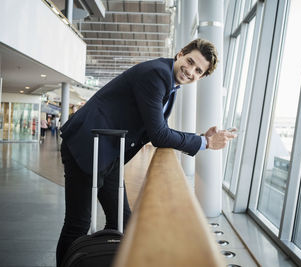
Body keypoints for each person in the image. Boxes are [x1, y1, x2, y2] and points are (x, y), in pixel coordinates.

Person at [56, 38, 237, 265]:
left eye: (198, 70)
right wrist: (204, 142)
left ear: (201, 77)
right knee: (77, 223)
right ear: (180, 53)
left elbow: (158, 129)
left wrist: (200, 138)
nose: (190, 71)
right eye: (190, 61)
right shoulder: (157, 74)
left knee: (123, 221)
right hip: (87, 147)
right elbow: (159, 134)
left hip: (108, 151)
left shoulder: (170, 84)